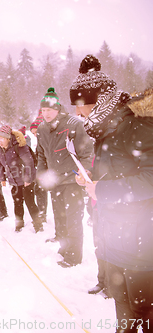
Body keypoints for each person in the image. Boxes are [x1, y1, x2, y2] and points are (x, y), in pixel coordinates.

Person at [71, 54, 153, 331]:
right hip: (115, 237)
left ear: (102, 101)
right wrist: (91, 180)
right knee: (123, 306)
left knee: (145, 309)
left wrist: (103, 191)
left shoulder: (138, 126)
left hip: (143, 242)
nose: (80, 113)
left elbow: (150, 178)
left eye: (83, 106)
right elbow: (117, 171)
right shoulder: (104, 131)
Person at [36, 87, 94, 267]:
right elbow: (41, 155)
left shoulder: (73, 124)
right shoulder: (41, 129)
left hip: (72, 180)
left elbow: (86, 152)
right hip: (55, 182)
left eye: (49, 110)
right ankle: (63, 249)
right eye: (43, 110)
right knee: (60, 218)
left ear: (58, 109)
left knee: (73, 219)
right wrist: (41, 174)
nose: (46, 113)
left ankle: (74, 257)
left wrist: (83, 173)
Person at [0, 125, 43, 233]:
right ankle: (19, 224)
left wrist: (27, 179)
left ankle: (38, 225)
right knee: (17, 203)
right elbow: (0, 163)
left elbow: (29, 163)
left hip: (26, 180)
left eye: (1, 139)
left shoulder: (20, 146)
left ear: (8, 138)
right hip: (14, 180)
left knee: (30, 203)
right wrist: (2, 177)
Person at [29, 110, 48, 223]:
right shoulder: (40, 142)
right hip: (42, 171)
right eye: (33, 133)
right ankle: (42, 213)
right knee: (39, 191)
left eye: (37, 132)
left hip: (49, 171)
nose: (35, 135)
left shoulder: (47, 140)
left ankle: (42, 214)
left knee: (41, 192)